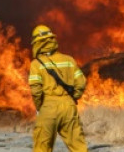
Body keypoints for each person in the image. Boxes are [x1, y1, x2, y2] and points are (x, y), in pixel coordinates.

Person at [28, 24, 88, 152]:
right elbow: (81, 82)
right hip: (69, 106)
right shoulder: (69, 60)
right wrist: (72, 98)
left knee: (42, 147)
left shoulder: (36, 64)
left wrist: (40, 107)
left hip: (48, 107)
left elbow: (36, 90)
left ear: (37, 44)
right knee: (78, 147)